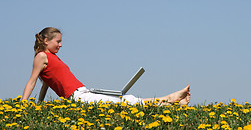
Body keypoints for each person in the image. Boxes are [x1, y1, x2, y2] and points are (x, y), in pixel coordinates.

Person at [22, 27, 191, 105]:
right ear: (46, 41)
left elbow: (46, 83)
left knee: (125, 99)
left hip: (84, 92)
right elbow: (32, 81)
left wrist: (39, 105)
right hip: (77, 97)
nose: (60, 45)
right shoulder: (42, 56)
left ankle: (171, 102)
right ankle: (170, 99)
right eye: (58, 42)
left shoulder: (51, 58)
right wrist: (23, 105)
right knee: (126, 102)